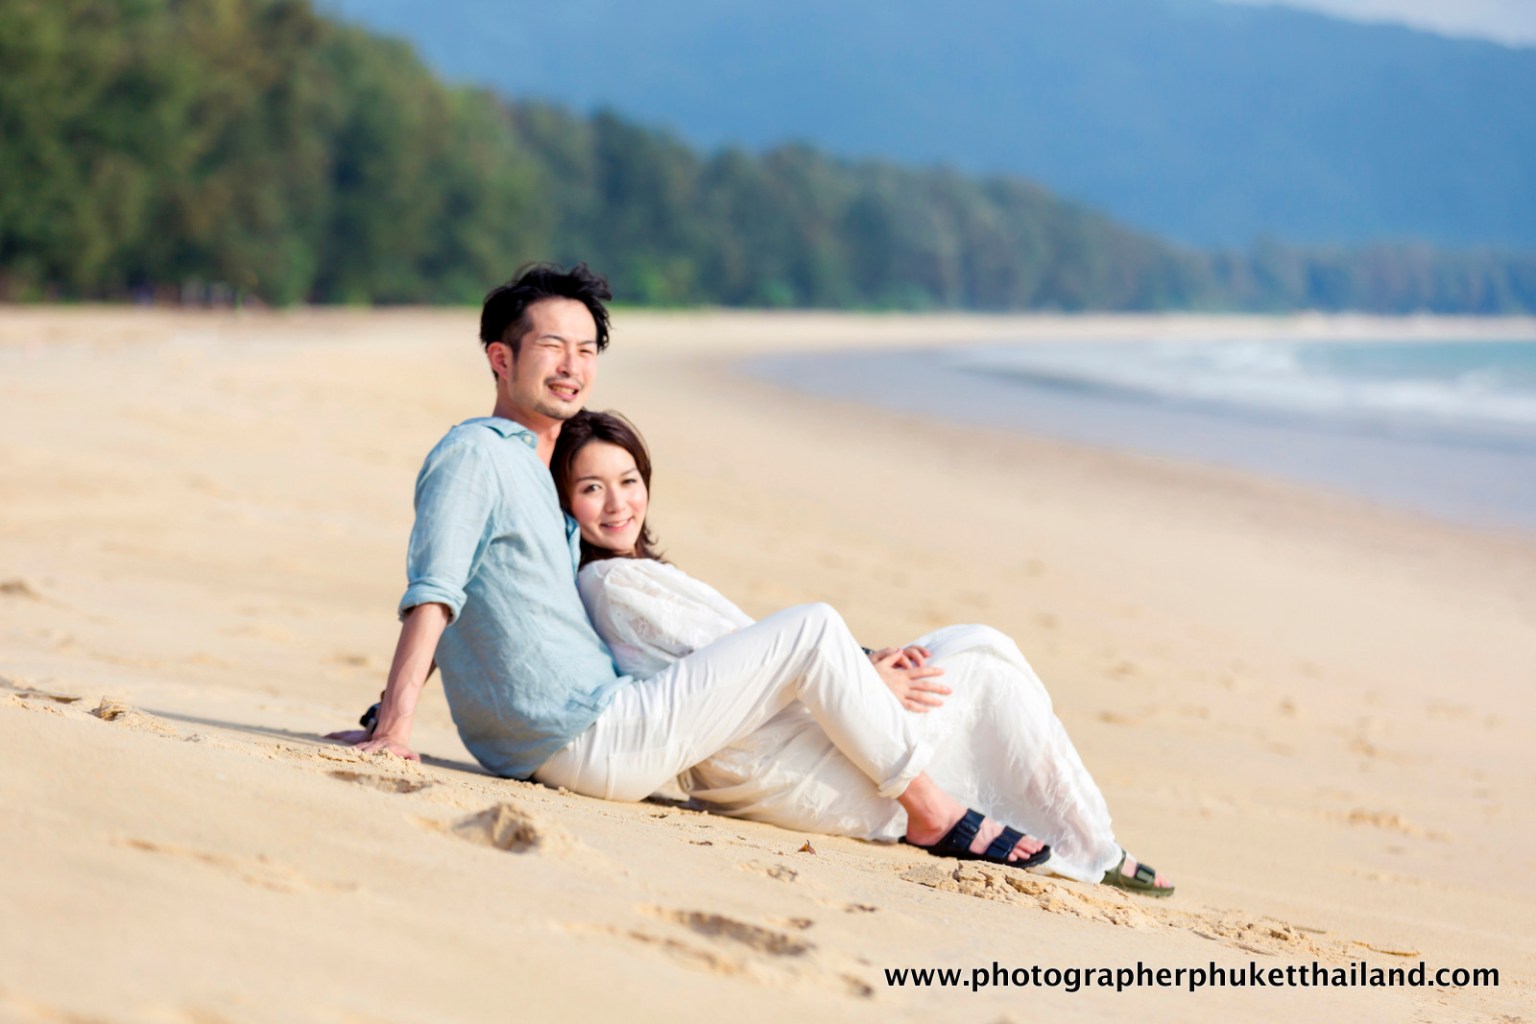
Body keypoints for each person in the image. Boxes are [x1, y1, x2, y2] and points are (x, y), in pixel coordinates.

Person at [341, 262, 1063, 871]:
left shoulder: (536, 475)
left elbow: (470, 593)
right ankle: (932, 811)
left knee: (821, 657)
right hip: (594, 733)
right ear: (501, 358)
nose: (573, 367)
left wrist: (383, 709)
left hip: (558, 741)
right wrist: (396, 728)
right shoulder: (477, 454)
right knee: (812, 628)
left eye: (588, 350)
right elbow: (436, 588)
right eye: (553, 347)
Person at [549, 408, 1174, 895]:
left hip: (780, 741)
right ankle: (1088, 844)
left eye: (628, 480)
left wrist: (865, 664)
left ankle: (1083, 837)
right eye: (592, 489)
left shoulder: (632, 576)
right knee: (985, 656)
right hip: (780, 766)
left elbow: (743, 659)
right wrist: (863, 682)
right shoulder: (612, 585)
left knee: (964, 645)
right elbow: (737, 676)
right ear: (567, 503)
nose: (617, 503)